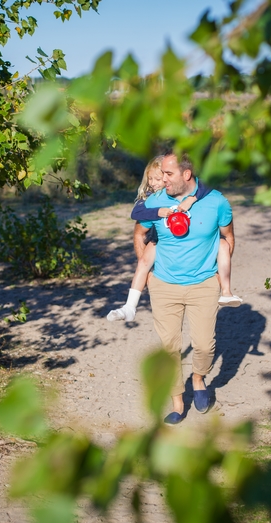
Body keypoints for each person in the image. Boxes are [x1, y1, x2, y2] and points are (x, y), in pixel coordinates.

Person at [133, 151, 234, 424]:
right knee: (169, 348)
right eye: (161, 174)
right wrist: (148, 269)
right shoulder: (155, 202)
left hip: (203, 283)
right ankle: (178, 403)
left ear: (186, 175)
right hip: (164, 285)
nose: (160, 179)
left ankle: (198, 378)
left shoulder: (216, 202)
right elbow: (139, 233)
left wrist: (219, 275)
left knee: (203, 345)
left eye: (168, 174)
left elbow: (228, 237)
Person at [107, 156, 241, 322]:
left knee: (222, 245)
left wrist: (193, 198)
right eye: (151, 178)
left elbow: (202, 185)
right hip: (156, 238)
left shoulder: (187, 191)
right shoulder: (151, 196)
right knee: (143, 264)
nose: (157, 182)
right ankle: (130, 306)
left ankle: (226, 290)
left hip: (181, 248)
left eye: (161, 177)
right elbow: (136, 213)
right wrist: (158, 212)